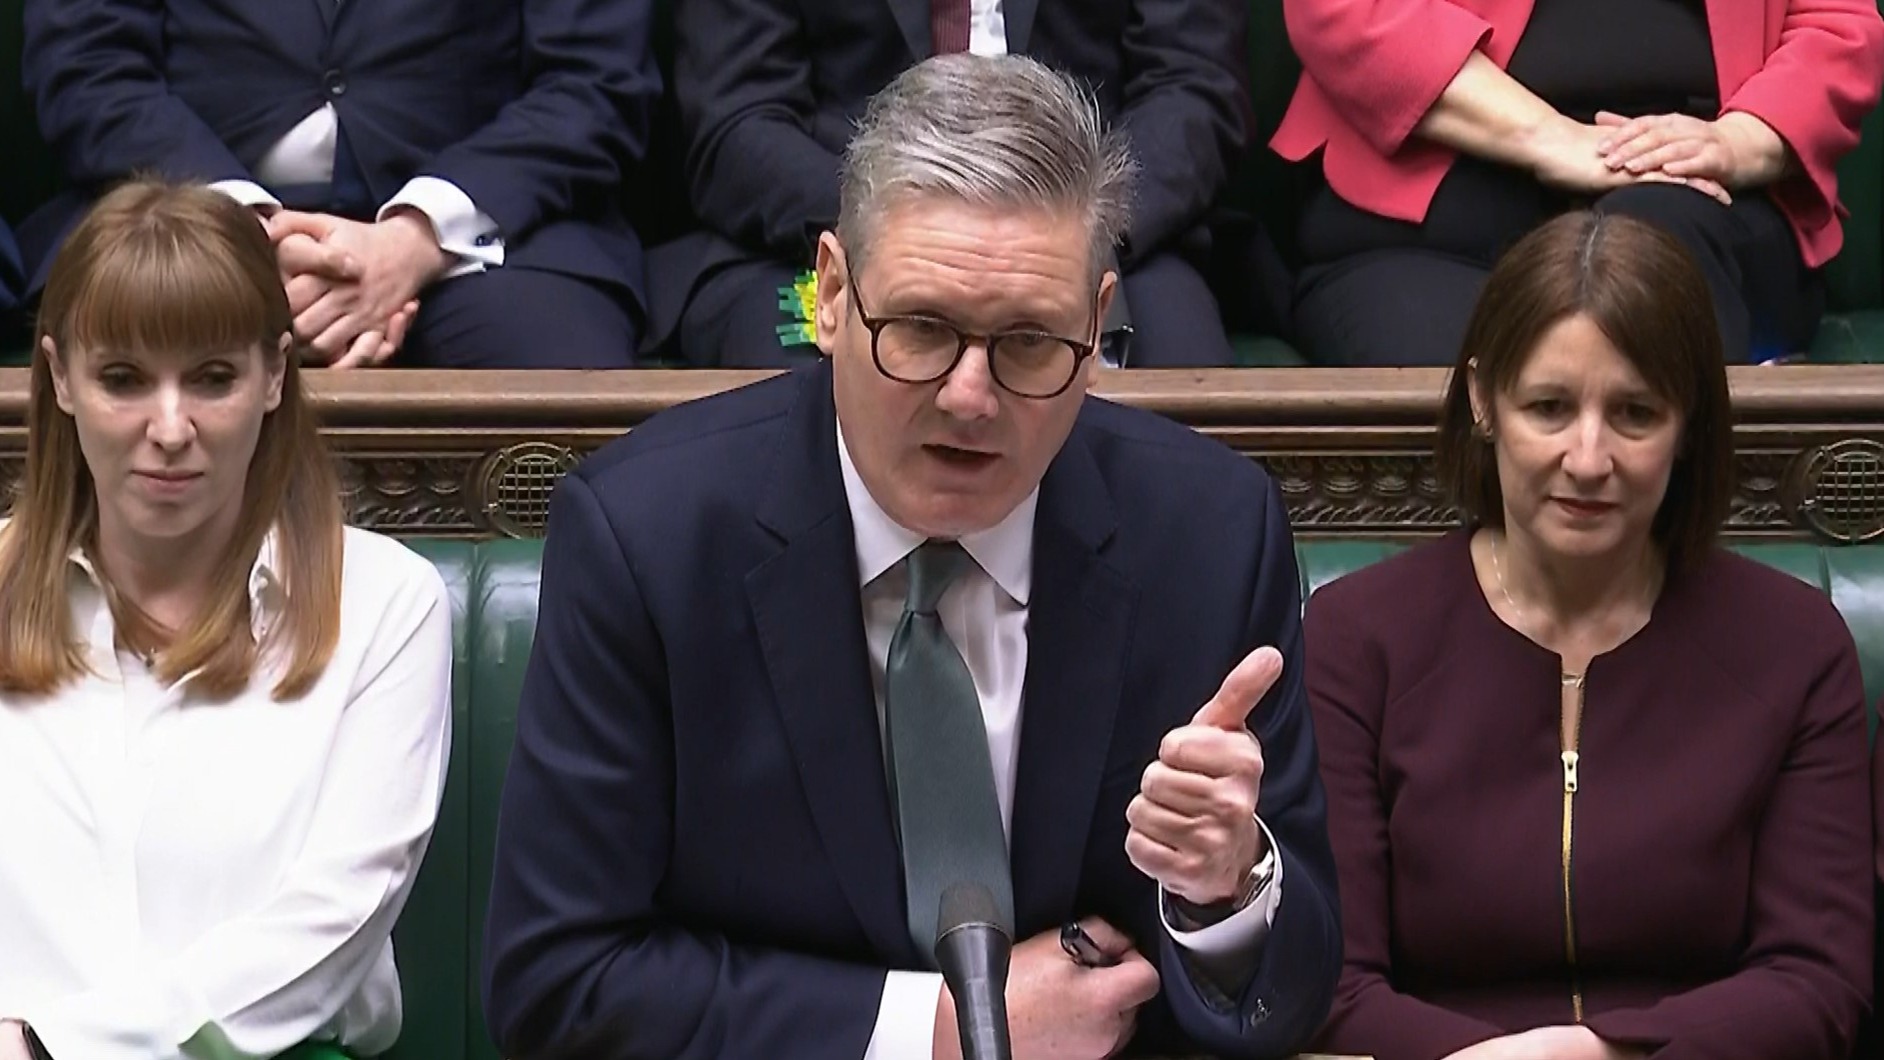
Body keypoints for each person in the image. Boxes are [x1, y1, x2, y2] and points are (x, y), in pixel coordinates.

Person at [482, 54, 1340, 1060]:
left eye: (1030, 342)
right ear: (831, 294)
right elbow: (558, 983)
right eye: (923, 329)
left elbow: (1291, 995)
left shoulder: (1209, 534)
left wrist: (1226, 892)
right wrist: (937, 1031)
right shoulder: (650, 536)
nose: (971, 397)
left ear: (1098, 324)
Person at [1304, 211, 1874, 1060]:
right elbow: (1329, 982)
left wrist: (1597, 1053)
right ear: (1483, 400)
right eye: (1549, 408)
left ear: (1688, 425)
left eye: (1636, 413)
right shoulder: (1357, 638)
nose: (1588, 458)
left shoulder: (1794, 645)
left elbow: (1817, 979)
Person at [0, 181, 453, 1059]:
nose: (171, 428)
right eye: (123, 379)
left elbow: (334, 921)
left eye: (212, 378)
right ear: (59, 378)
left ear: (275, 374)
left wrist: (54, 1046)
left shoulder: (385, 602)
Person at [21, 0, 657, 369]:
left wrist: (414, 239)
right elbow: (87, 66)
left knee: (557, 382)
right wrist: (239, 232)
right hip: (180, 206)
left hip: (489, 231)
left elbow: (594, 83)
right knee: (133, 350)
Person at [1271, 0, 1884, 366]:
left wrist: (1735, 142)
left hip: (1696, 202)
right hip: (1428, 224)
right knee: (1481, 395)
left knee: (1653, 286)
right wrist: (1553, 139)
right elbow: (1346, 11)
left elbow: (1838, 28)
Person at [653, 0, 1247, 369]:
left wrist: (1079, 226)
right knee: (797, 405)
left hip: (1100, 227)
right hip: (824, 225)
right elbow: (738, 120)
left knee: (1184, 410)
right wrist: (900, 227)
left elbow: (1192, 89)